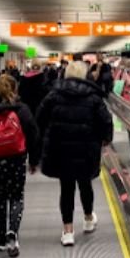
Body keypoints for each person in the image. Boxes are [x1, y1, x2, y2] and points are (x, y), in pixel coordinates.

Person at [35, 61, 113, 247]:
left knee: (67, 188)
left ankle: (68, 231)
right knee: (85, 183)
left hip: (61, 148)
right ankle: (87, 218)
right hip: (86, 148)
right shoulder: (93, 97)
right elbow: (106, 120)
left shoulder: (54, 95)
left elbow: (40, 117)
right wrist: (105, 139)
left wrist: (47, 137)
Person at [0, 75, 41, 258]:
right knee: (17, 196)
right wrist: (34, 160)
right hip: (17, 158)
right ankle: (13, 232)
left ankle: (1, 238)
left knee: (0, 197)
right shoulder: (22, 109)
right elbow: (33, 135)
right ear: (14, 89)